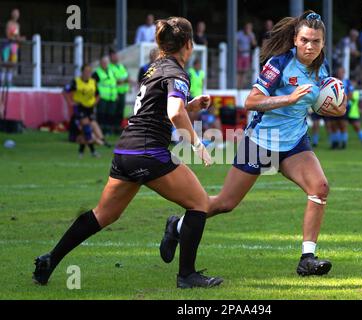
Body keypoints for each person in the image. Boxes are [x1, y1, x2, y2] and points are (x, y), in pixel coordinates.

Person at [32, 17, 223, 289]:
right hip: (149, 152)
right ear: (189, 44)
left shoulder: (154, 68)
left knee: (103, 215)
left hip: (126, 150)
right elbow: (173, 112)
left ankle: (50, 258)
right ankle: (187, 275)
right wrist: (197, 144)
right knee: (200, 204)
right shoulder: (177, 72)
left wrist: (191, 105)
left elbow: (157, 108)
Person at [160, 11, 347, 277]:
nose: (310, 46)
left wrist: (337, 106)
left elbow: (328, 105)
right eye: (305, 39)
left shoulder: (321, 66)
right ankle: (176, 227)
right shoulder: (279, 64)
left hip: (294, 143)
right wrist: (288, 99)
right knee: (225, 203)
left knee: (320, 187)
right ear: (295, 39)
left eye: (316, 41)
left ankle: (307, 258)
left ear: (323, 44)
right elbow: (250, 101)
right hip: (261, 141)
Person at [63, 64, 101, 158]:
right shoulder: (76, 81)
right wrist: (70, 102)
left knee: (85, 131)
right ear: (82, 72)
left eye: (89, 71)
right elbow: (65, 91)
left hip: (89, 108)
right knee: (87, 127)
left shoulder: (93, 82)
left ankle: (82, 152)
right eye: (86, 71)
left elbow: (98, 94)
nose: (88, 73)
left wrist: (94, 103)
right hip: (80, 107)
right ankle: (93, 150)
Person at [330, 66, 362, 149]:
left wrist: (344, 103)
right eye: (339, 72)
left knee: (346, 125)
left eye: (342, 72)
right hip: (335, 106)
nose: (341, 74)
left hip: (346, 107)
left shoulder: (347, 82)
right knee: (335, 125)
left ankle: (345, 144)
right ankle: (336, 143)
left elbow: (350, 93)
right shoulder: (333, 81)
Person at [1, 8, 25, 87]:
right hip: (7, 46)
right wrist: (17, 38)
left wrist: (20, 38)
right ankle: (2, 82)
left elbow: (16, 36)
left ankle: (9, 82)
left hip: (14, 47)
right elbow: (9, 36)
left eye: (17, 13)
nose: (16, 15)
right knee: (5, 64)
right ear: (12, 14)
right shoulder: (9, 23)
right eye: (15, 13)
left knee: (12, 65)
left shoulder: (17, 25)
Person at [93, 56, 117, 135]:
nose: (105, 64)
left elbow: (114, 83)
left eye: (106, 62)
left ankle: (108, 130)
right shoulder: (97, 73)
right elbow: (93, 85)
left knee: (110, 115)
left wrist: (116, 94)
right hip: (102, 97)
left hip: (112, 97)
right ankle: (100, 131)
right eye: (103, 62)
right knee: (101, 114)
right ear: (100, 63)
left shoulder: (111, 71)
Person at [109, 49, 131, 134]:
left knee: (121, 111)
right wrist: (125, 80)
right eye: (113, 56)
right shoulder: (110, 67)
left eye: (116, 55)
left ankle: (118, 129)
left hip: (123, 92)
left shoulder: (121, 66)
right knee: (114, 112)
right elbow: (116, 81)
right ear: (110, 57)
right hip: (115, 93)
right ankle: (112, 129)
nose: (116, 57)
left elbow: (126, 77)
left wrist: (126, 80)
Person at [237, 22, 257, 89]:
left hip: (247, 56)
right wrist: (238, 48)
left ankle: (242, 86)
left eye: (249, 28)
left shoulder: (251, 35)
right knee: (239, 71)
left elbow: (254, 45)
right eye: (247, 27)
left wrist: (251, 37)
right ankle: (238, 86)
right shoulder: (239, 34)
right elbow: (234, 42)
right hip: (239, 55)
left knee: (245, 71)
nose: (248, 29)